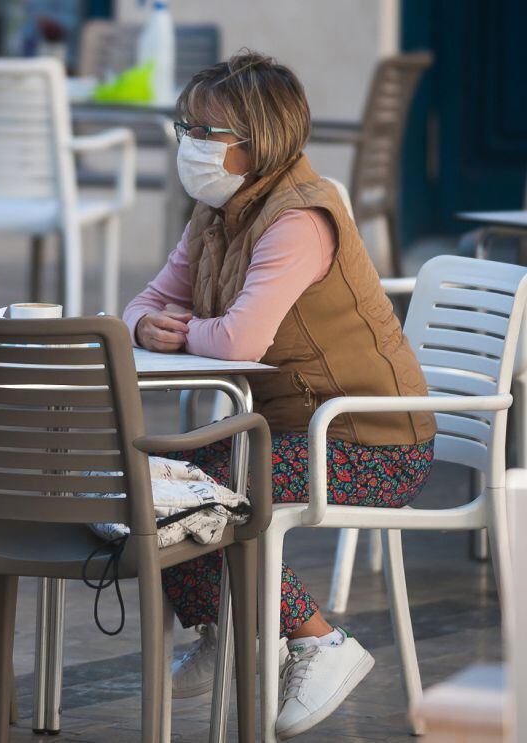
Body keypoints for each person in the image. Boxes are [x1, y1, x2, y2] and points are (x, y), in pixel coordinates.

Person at [123, 52, 435, 740]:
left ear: (256, 142)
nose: (188, 144)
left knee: (202, 492)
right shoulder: (217, 209)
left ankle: (319, 638)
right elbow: (144, 301)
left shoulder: (299, 219)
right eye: (186, 127)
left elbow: (241, 340)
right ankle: (231, 629)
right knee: (166, 483)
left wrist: (182, 335)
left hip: (370, 440)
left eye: (205, 133)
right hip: (292, 431)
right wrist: (146, 322)